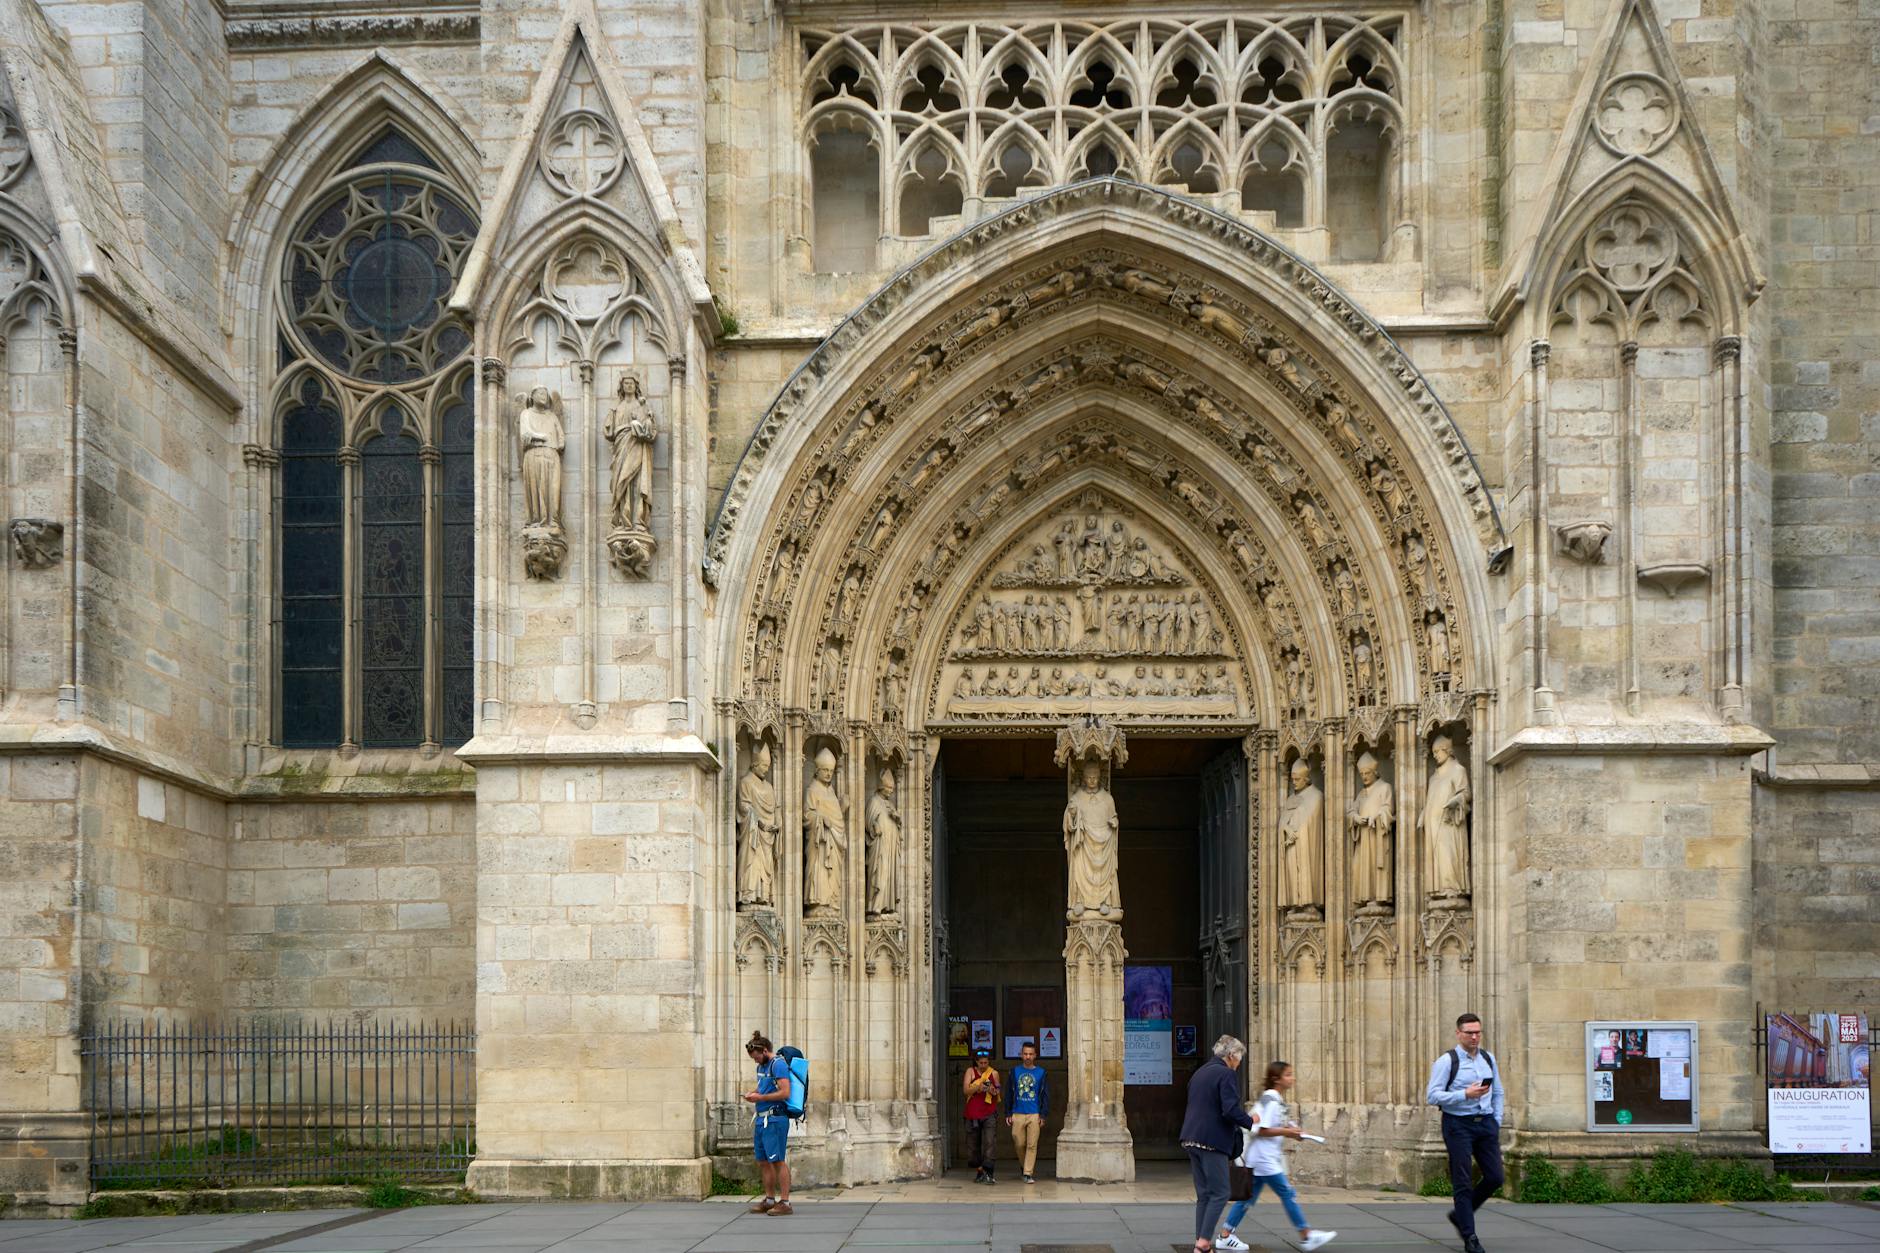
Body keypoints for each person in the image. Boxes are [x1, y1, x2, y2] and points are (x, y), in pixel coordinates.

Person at [1214, 1061, 1336, 1251]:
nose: (1292, 1078)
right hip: (1264, 1159)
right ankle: (1306, 1235)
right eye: (1288, 1074)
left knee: (1247, 1199)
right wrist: (1287, 1132)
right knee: (1287, 1194)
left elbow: (1272, 1124)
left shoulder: (1273, 1098)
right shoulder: (1271, 1099)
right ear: (1276, 1079)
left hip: (1262, 1158)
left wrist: (1292, 1131)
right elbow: (1261, 1129)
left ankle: (1225, 1235)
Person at [1425, 1013, 1504, 1253]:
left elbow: (1498, 1092)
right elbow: (1432, 1096)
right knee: (1462, 1180)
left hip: (1486, 1124)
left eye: (1478, 1032)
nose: (1474, 1036)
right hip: (1458, 1125)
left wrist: (1496, 1120)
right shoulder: (1446, 1061)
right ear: (1458, 1033)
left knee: (1495, 1177)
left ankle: (1461, 1214)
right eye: (1469, 1032)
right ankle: (1470, 1237)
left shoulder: (1488, 1058)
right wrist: (1464, 1095)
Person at [1179, 1034, 1256, 1253]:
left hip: (1190, 1138)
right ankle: (1203, 1243)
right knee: (1221, 1192)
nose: (1239, 1064)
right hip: (1212, 1141)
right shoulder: (1226, 1074)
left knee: (1204, 1195)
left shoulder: (1200, 1073)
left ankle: (1200, 1243)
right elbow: (1229, 1110)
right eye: (1239, 1058)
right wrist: (1251, 1121)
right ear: (1231, 1056)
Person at [741, 1031, 794, 1216]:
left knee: (778, 1160)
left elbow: (785, 1092)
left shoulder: (778, 1065)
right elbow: (763, 1088)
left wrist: (761, 1097)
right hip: (761, 1118)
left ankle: (785, 1202)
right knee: (763, 1161)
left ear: (764, 1050)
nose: (755, 1061)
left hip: (775, 1119)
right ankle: (770, 1199)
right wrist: (752, 1094)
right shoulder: (761, 1067)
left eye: (756, 1057)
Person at [1005, 1040, 1050, 1184]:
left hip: (1034, 1113)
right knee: (1018, 1142)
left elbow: (1045, 1095)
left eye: (1030, 1054)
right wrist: (1007, 1113)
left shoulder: (1041, 1073)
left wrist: (1043, 1115)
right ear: (1021, 1055)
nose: (1028, 1057)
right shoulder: (1014, 1072)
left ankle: (1027, 1173)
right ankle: (1024, 1165)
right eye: (1025, 1054)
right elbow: (1008, 1094)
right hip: (1017, 1112)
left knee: (1032, 1145)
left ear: (1035, 1055)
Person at [963, 1047, 1001, 1183]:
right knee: (973, 1145)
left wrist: (992, 1089)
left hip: (989, 1112)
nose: (984, 1066)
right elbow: (966, 1090)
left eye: (986, 1063)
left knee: (990, 1142)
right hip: (972, 1113)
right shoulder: (970, 1072)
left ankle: (990, 1173)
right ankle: (979, 1170)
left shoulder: (994, 1073)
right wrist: (978, 1087)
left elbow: (998, 1090)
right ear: (976, 1062)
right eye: (981, 1063)